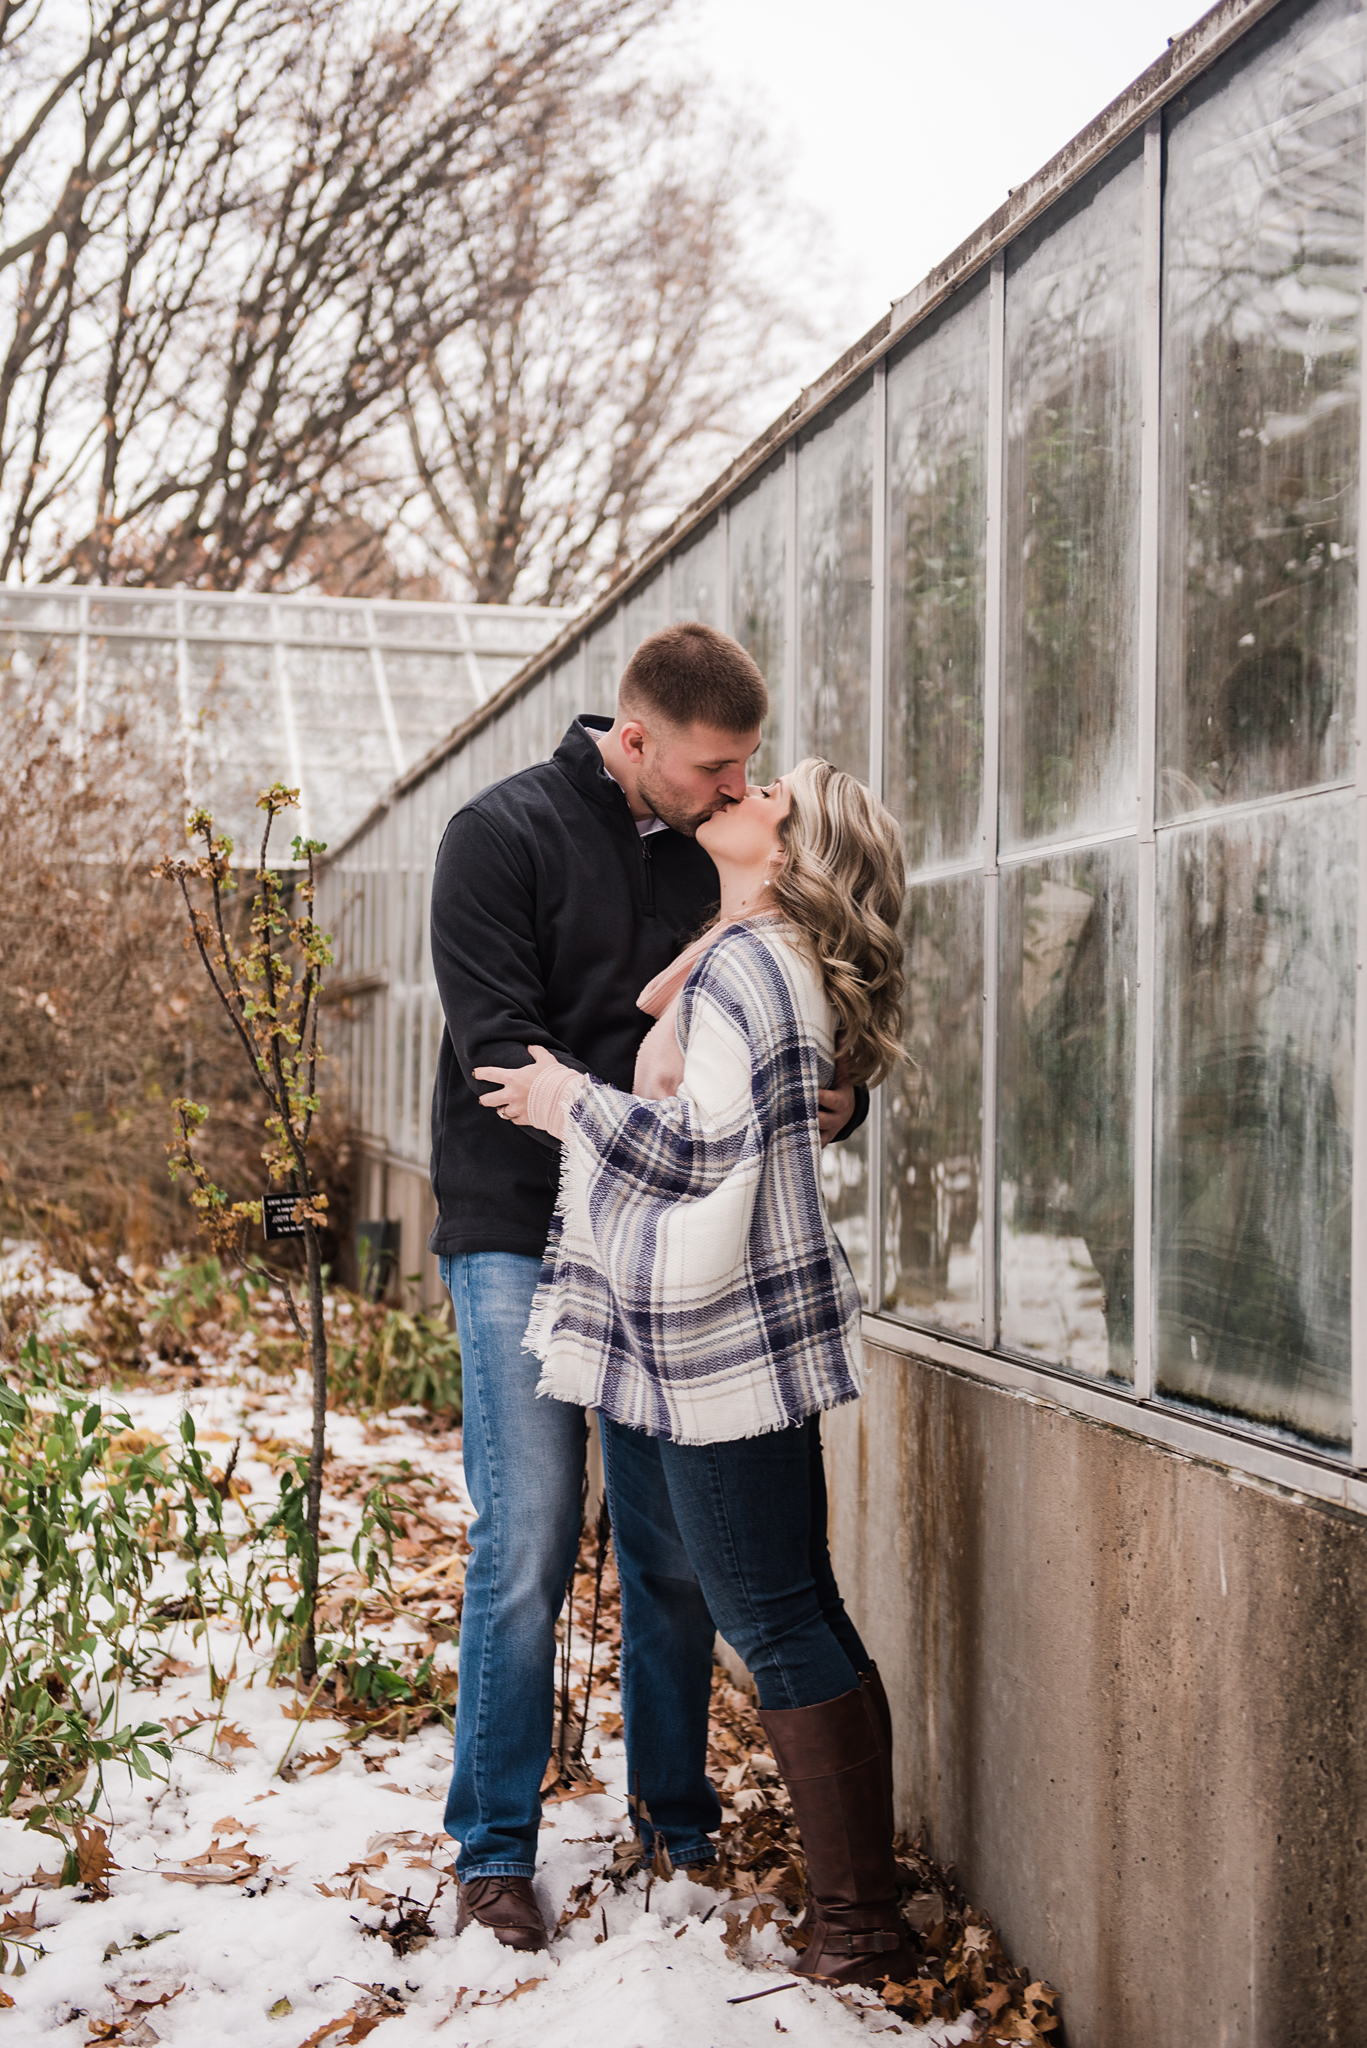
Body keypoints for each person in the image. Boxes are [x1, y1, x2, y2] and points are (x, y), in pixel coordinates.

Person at [428, 623, 865, 1952]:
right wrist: (678, 1106)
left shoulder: (719, 859)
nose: (737, 792)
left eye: (744, 772)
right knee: (532, 1536)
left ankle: (674, 1814)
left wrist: (818, 1101)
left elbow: (790, 1021)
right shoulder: (495, 836)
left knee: (671, 1549)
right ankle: (493, 1847)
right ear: (637, 742)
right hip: (520, 1230)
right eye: (716, 769)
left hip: (667, 1253)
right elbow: (509, 1064)